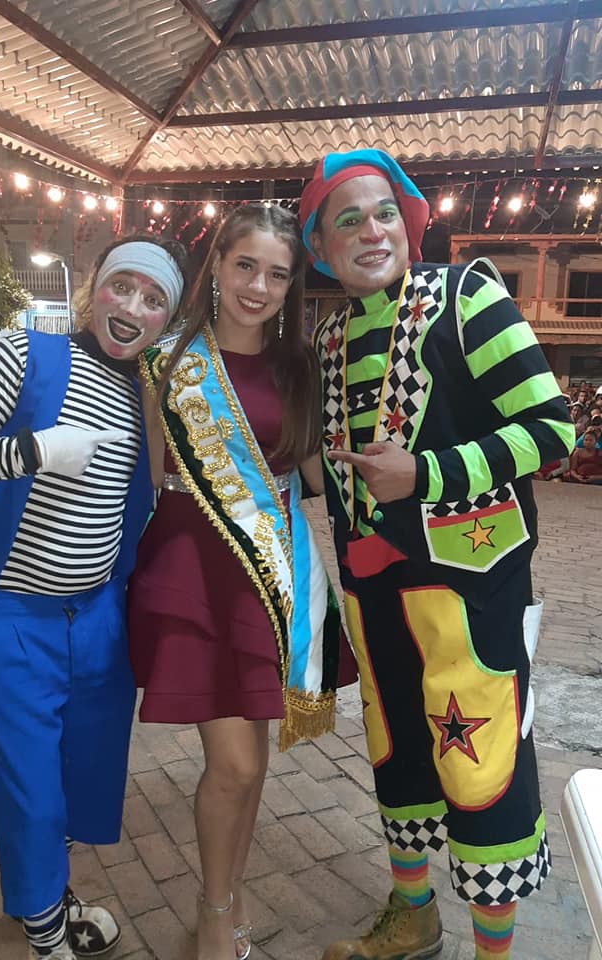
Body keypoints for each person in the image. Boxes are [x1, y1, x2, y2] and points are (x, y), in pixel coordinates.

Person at [298, 149, 575, 960]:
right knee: (396, 744)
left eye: (384, 212)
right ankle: (413, 911)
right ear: (321, 247)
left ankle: (493, 952)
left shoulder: (467, 297)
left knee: (483, 754)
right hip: (372, 586)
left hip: (468, 587)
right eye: (348, 219)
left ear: (410, 223)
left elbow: (552, 431)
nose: (371, 231)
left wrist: (425, 474)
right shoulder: (327, 339)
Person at [0, 235, 187, 960]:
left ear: (167, 318)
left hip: (98, 621)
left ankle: (48, 899)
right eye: (123, 286)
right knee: (29, 792)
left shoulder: (149, 394)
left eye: (154, 299)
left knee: (73, 779)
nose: (132, 307)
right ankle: (46, 938)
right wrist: (31, 450)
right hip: (9, 618)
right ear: (96, 286)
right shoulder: (22, 354)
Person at [127, 204, 355, 960]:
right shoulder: (166, 362)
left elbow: (317, 475)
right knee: (236, 763)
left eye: (277, 275)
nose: (259, 287)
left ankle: (226, 894)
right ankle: (215, 911)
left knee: (250, 761)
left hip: (268, 577)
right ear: (218, 266)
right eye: (246, 266)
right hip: (190, 575)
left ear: (291, 286)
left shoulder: (297, 368)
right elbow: (151, 477)